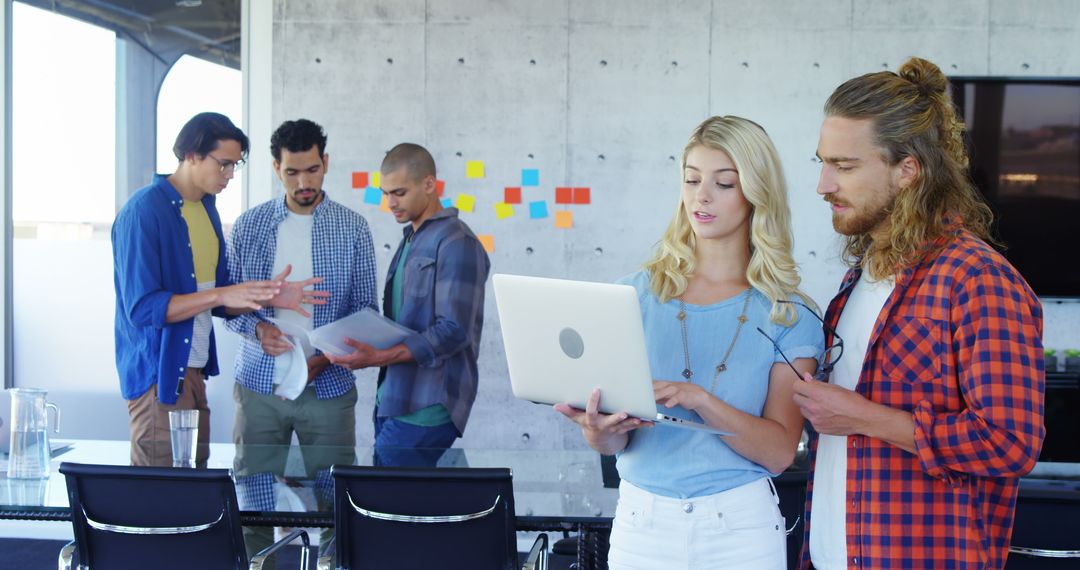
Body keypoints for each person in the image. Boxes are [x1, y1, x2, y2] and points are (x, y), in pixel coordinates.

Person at [794, 57, 1045, 570]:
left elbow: (1010, 443)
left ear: (908, 169)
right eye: (822, 162)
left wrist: (866, 418)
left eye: (844, 166)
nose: (823, 184)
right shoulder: (858, 279)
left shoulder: (978, 281)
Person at [556, 116, 824, 570]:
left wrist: (700, 398)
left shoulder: (788, 312)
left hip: (741, 530)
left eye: (723, 183)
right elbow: (614, 445)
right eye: (691, 179)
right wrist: (597, 433)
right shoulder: (633, 296)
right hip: (641, 525)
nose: (701, 196)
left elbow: (780, 452)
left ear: (756, 192)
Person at [112, 112, 326, 467]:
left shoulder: (206, 209)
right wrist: (220, 296)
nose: (229, 175)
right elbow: (143, 309)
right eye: (223, 165)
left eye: (235, 166)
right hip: (158, 377)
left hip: (193, 372)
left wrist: (270, 297)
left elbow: (219, 297)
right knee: (159, 501)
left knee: (196, 495)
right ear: (192, 154)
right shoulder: (143, 211)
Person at [327, 143, 490, 467]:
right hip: (394, 398)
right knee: (394, 505)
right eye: (386, 194)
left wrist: (378, 357)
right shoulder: (411, 239)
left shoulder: (457, 242)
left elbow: (454, 331)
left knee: (389, 505)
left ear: (429, 184)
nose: (390, 203)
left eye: (399, 193)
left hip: (427, 405)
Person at [224, 118, 377, 450]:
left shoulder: (353, 229)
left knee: (332, 494)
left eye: (312, 169)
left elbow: (366, 310)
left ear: (325, 163)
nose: (303, 182)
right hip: (259, 386)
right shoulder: (248, 226)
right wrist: (259, 330)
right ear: (277, 167)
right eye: (292, 172)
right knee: (254, 490)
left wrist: (324, 359)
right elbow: (227, 306)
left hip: (328, 390)